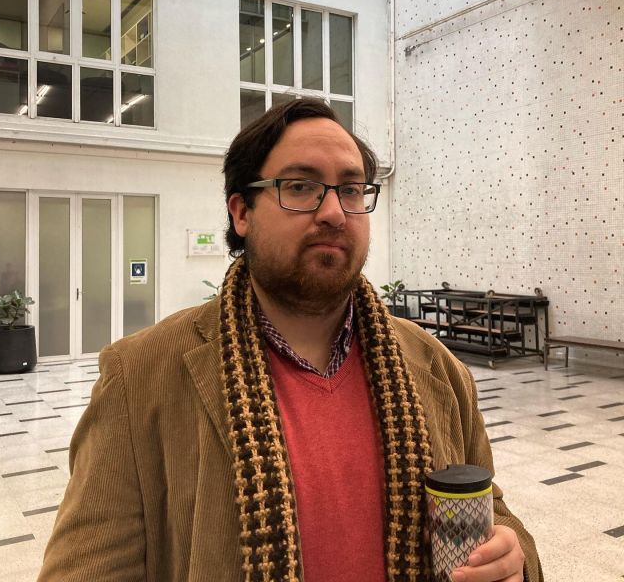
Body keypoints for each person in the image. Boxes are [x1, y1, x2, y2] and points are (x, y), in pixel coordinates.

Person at [38, 98, 543, 582]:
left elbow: (491, 512)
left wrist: (512, 560)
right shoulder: (140, 378)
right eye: (301, 187)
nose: (334, 212)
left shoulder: (436, 367)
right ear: (242, 212)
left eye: (351, 189)